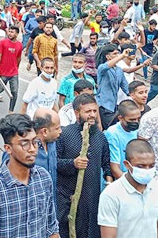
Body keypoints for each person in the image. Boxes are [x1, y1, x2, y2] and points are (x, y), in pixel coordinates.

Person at [0, 114, 59, 238]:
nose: (32, 149)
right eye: (24, 144)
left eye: (35, 142)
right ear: (8, 148)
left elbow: (51, 227)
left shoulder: (43, 178)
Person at [56, 93, 112, 238]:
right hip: (68, 198)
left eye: (94, 111)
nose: (92, 115)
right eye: (88, 112)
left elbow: (107, 165)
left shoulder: (100, 137)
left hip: (92, 199)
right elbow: (54, 163)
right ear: (77, 113)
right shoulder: (64, 134)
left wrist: (109, 181)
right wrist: (72, 163)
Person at [97, 139, 158, 238]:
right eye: (141, 166)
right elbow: (108, 235)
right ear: (126, 165)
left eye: (151, 166)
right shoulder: (111, 194)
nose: (147, 170)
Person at [95, 44, 131, 129]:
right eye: (115, 54)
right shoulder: (102, 68)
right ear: (108, 56)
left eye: (118, 53)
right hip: (104, 105)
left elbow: (126, 87)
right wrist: (122, 56)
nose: (117, 56)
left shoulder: (119, 70)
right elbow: (106, 66)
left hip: (114, 106)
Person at [104, 100, 141, 179]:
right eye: (132, 120)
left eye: (138, 119)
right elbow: (114, 169)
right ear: (121, 118)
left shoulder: (136, 131)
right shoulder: (113, 133)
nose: (136, 122)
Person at [0, 25, 22, 112]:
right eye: (9, 31)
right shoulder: (3, 43)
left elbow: (19, 58)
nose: (10, 33)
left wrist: (16, 68)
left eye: (12, 32)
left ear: (17, 34)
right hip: (3, 71)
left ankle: (11, 110)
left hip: (14, 72)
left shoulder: (19, 45)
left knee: (14, 91)